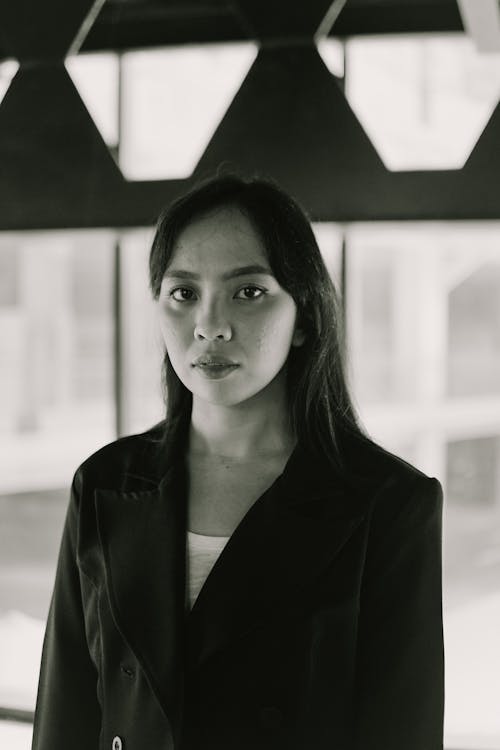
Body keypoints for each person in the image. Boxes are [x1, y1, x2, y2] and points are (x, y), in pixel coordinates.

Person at [31, 174, 444, 750]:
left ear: (305, 316)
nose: (209, 326)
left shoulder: (388, 501)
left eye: (247, 291)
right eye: (183, 293)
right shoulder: (105, 482)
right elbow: (65, 713)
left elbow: (403, 731)